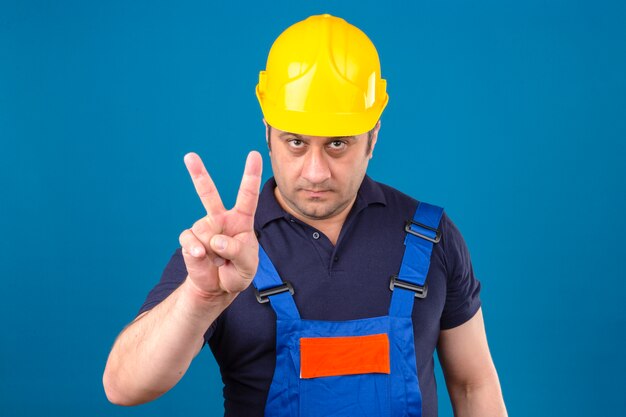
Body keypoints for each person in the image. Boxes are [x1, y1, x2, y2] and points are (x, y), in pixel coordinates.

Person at [103, 14, 507, 417]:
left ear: (373, 136)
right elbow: (123, 386)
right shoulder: (225, 250)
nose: (315, 172)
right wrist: (202, 297)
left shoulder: (430, 237)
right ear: (268, 132)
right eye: (295, 142)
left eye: (337, 144)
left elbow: (474, 386)